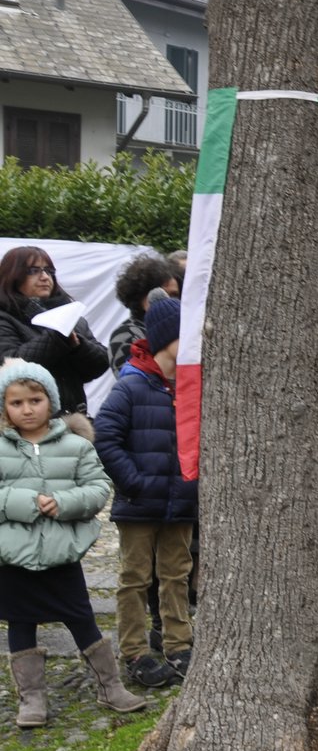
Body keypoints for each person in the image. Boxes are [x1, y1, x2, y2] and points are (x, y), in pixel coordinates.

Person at [0, 361, 145, 725]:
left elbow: (98, 488)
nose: (27, 409)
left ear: (50, 400)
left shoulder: (76, 446)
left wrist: (63, 504)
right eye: (16, 403)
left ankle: (109, 685)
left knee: (81, 617)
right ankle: (31, 699)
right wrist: (24, 503)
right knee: (20, 622)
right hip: (12, 555)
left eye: (35, 400)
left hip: (62, 553)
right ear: (4, 407)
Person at [93, 298, 196, 687]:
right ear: (167, 337)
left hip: (181, 501)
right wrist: (132, 481)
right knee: (135, 577)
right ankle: (134, 650)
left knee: (176, 575)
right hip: (139, 502)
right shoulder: (133, 383)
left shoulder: (190, 385)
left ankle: (178, 644)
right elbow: (105, 435)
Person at [0, 247, 109, 415]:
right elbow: (10, 365)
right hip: (24, 426)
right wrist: (58, 336)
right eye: (33, 271)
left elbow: (100, 364)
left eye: (49, 271)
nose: (44, 277)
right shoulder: (5, 317)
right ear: (13, 276)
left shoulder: (71, 316)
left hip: (73, 421)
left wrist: (78, 346)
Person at [108, 254, 182, 370]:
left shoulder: (184, 329)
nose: (167, 299)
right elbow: (132, 381)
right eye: (159, 293)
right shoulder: (125, 335)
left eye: (174, 295)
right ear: (141, 295)